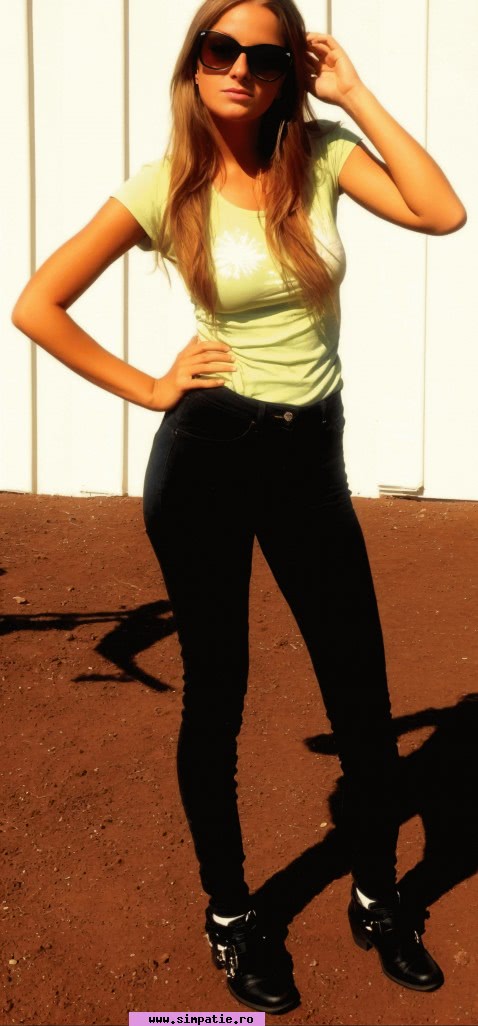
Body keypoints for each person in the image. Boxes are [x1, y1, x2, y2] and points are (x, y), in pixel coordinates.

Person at [12, 0, 466, 1015]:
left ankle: (378, 897)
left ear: (287, 72)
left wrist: (355, 94)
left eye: (266, 56)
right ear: (195, 62)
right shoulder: (163, 186)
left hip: (309, 456)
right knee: (218, 695)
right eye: (223, 49)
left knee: (361, 695)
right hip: (208, 458)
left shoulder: (324, 156)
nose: (242, 69)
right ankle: (232, 914)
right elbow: (37, 304)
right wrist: (150, 387)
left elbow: (442, 213)